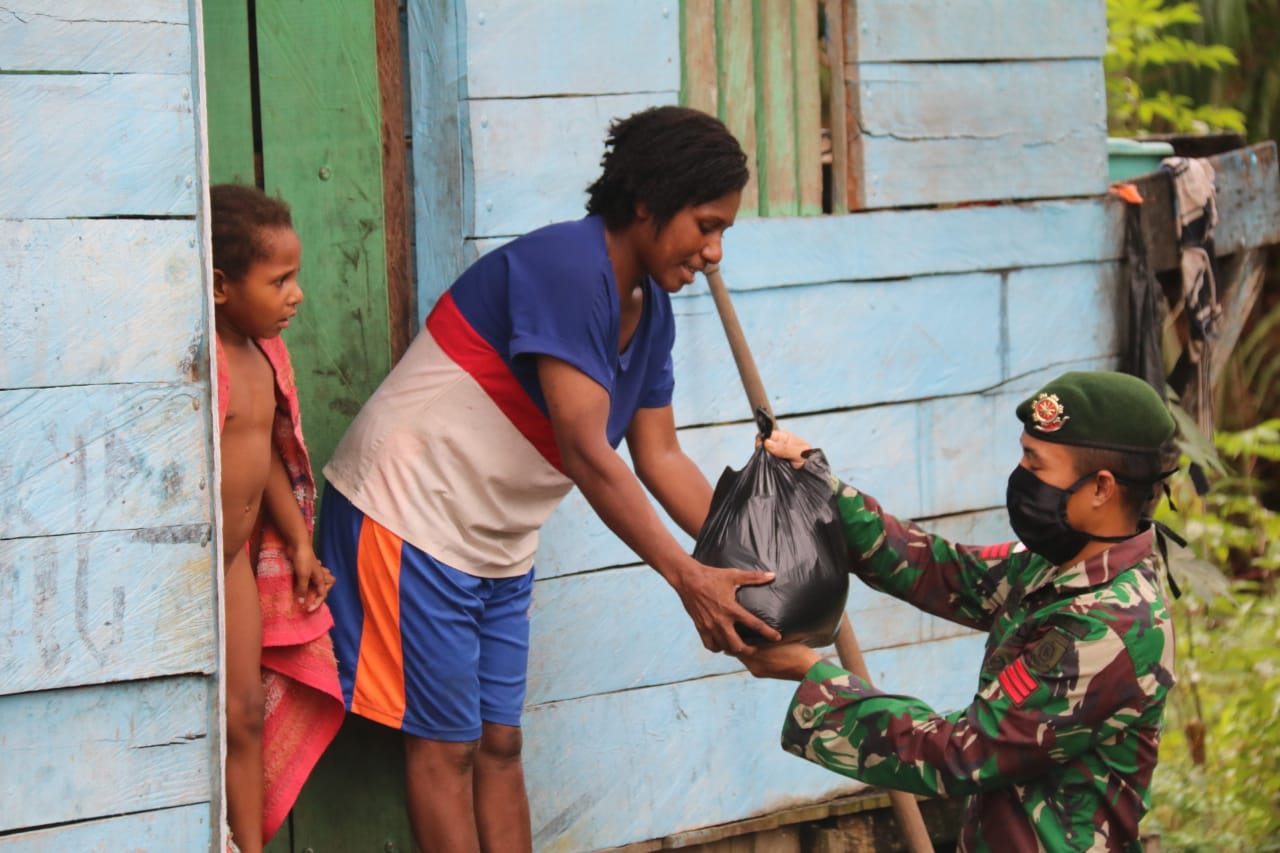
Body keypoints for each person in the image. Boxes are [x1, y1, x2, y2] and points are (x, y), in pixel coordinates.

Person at [318, 105, 780, 852]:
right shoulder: (568, 267)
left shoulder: (650, 310)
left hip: (494, 537)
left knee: (500, 746)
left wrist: (759, 565)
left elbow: (659, 457)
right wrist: (686, 576)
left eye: (723, 230)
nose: (715, 251)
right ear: (647, 203)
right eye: (706, 224)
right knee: (447, 748)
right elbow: (588, 452)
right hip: (410, 511)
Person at [738, 371, 1180, 852]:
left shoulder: (1109, 626)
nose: (1021, 476)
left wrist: (814, 676)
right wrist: (821, 486)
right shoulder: (1053, 567)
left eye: (1036, 463)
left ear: (1101, 489)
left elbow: (962, 751)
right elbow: (938, 571)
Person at [212, 184, 343, 853]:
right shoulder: (201, 361)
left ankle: (248, 845)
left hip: (235, 560)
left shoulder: (265, 353)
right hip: (191, 568)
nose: (296, 295)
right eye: (280, 280)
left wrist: (297, 542)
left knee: (243, 714)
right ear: (219, 286)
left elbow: (266, 448)